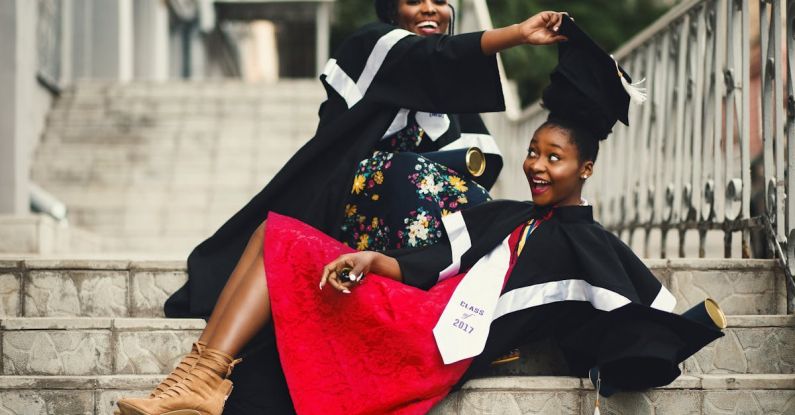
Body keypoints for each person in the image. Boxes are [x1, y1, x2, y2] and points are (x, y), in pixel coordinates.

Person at [117, 15, 723, 415]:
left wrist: (696, 326)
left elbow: (636, 317)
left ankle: (201, 379)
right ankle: (199, 377)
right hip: (416, 307)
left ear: (585, 169)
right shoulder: (510, 215)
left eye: (555, 158)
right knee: (274, 232)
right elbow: (437, 259)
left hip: (431, 341)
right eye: (534, 151)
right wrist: (372, 258)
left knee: (278, 243)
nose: (537, 165)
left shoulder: (586, 244)